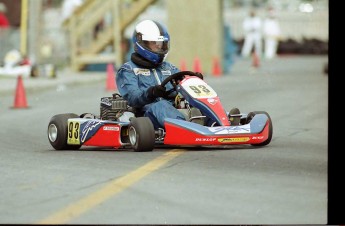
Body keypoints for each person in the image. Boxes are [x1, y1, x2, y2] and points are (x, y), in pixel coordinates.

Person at [116, 20, 188, 129]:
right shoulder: (128, 70)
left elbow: (184, 85)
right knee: (161, 105)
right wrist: (151, 92)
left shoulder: (169, 67)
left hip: (173, 110)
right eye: (154, 43)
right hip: (146, 117)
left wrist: (193, 80)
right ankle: (186, 129)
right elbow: (133, 97)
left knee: (198, 103)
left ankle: (217, 125)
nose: (159, 47)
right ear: (142, 43)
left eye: (161, 44)